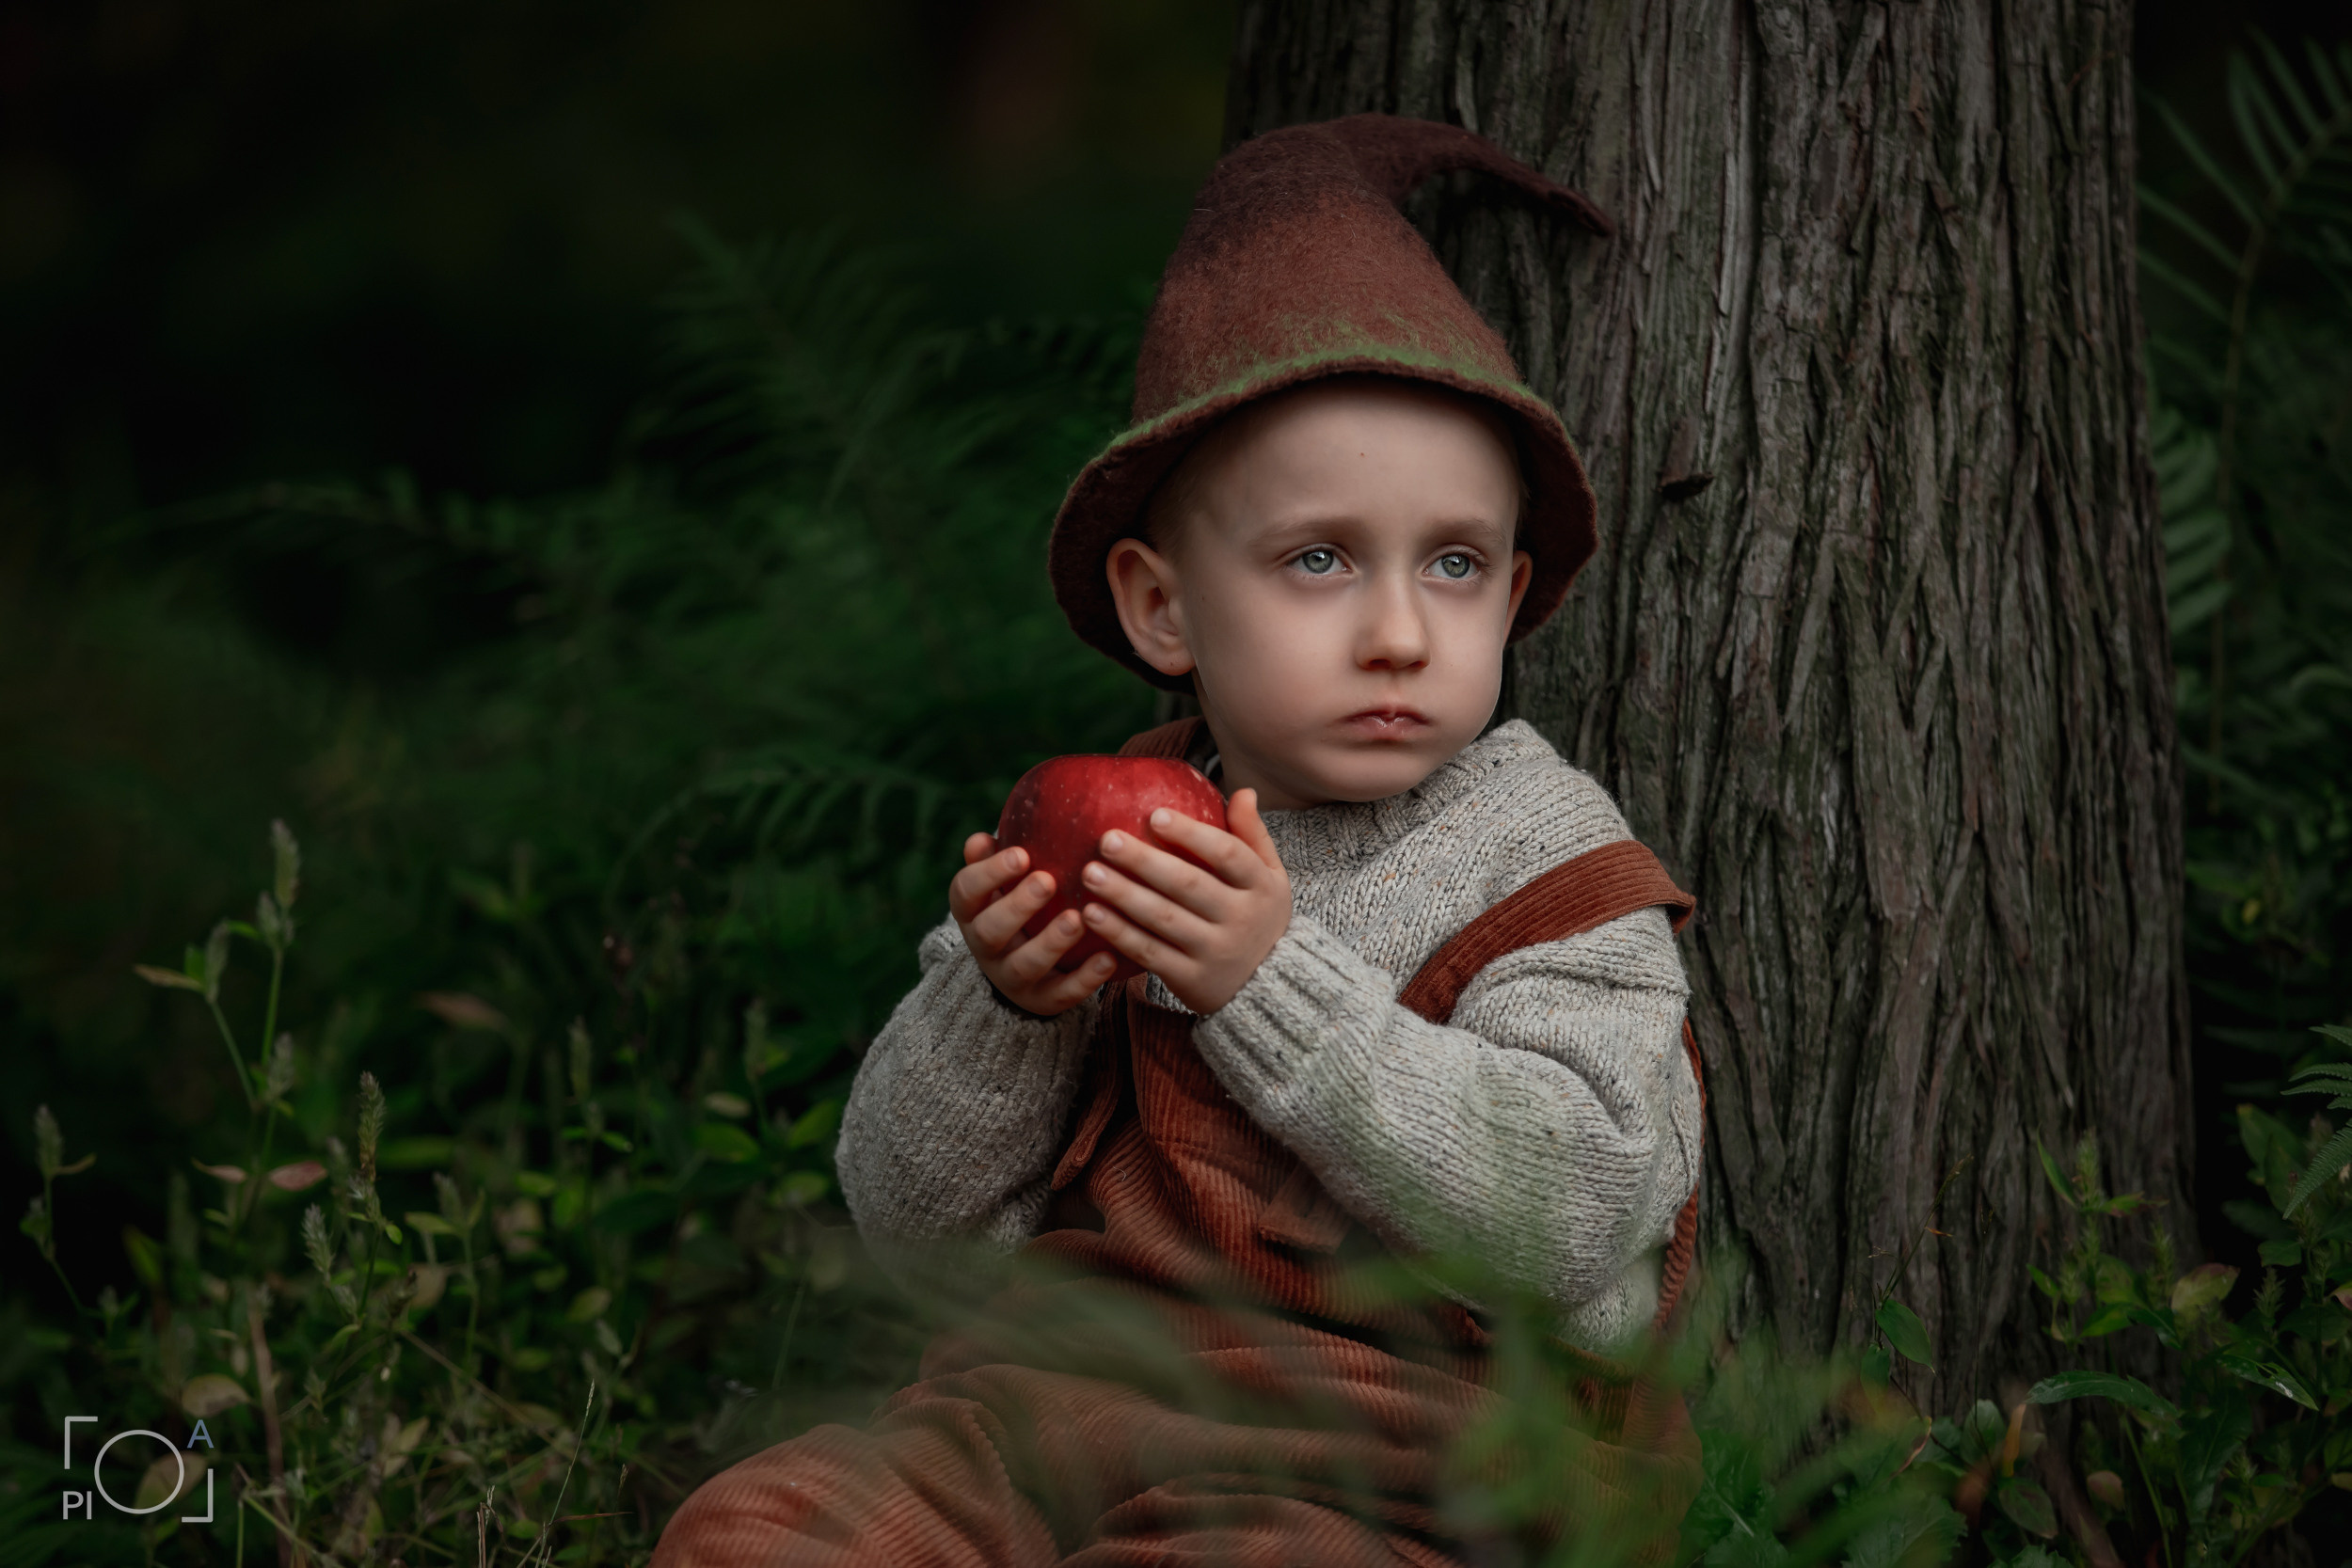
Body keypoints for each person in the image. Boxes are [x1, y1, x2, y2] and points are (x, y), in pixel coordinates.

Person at [655, 113, 1705, 1568]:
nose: (1399, 631)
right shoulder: (1111, 835)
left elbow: (1580, 1216)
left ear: (1515, 595)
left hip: (1390, 1453)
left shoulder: (1543, 864)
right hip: (1057, 1402)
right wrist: (1000, 1008)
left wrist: (1274, 989)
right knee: (756, 1533)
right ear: (1162, 609)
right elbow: (913, 1223)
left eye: (1454, 564)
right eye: (1319, 558)